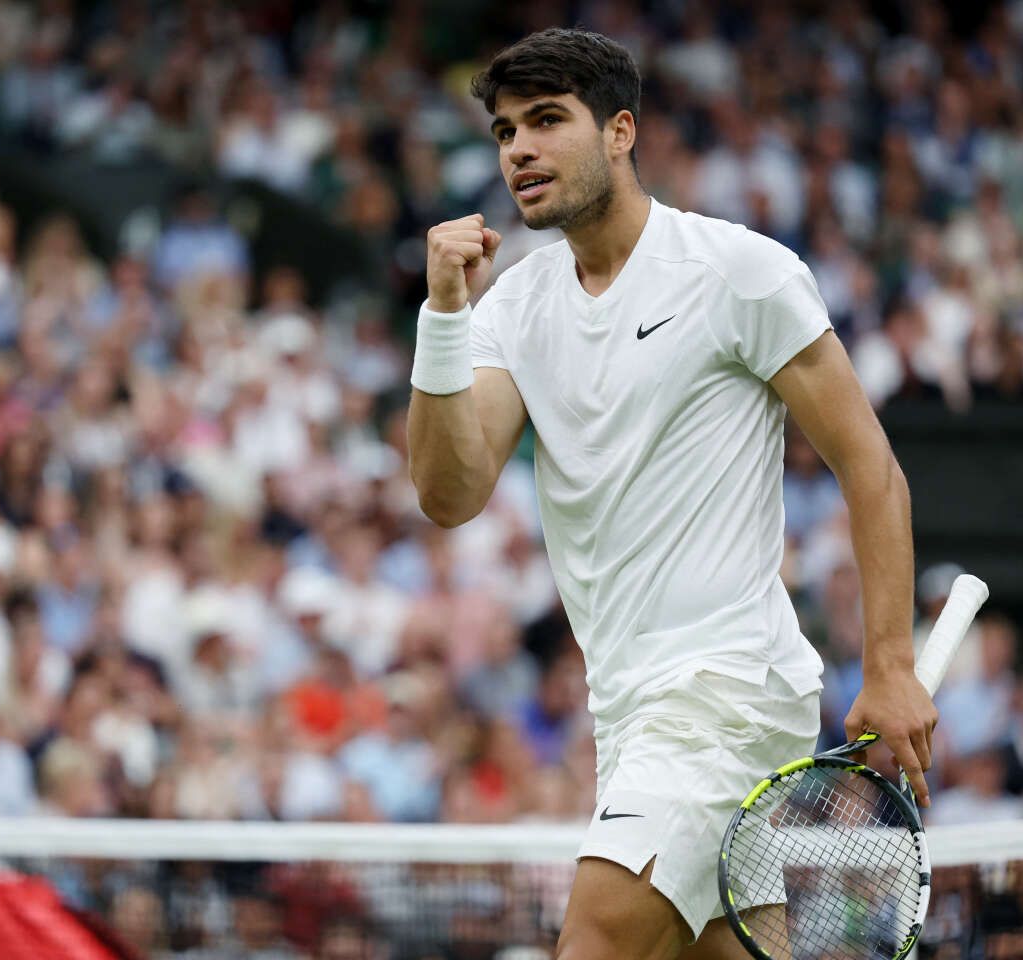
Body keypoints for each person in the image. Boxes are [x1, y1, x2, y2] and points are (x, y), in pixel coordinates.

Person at [406, 28, 935, 960]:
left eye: (545, 121)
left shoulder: (737, 272)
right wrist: (444, 315)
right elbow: (448, 494)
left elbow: (870, 466)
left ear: (620, 131)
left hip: (725, 691)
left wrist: (889, 662)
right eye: (502, 131)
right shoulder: (513, 309)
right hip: (628, 711)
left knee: (596, 943)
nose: (518, 149)